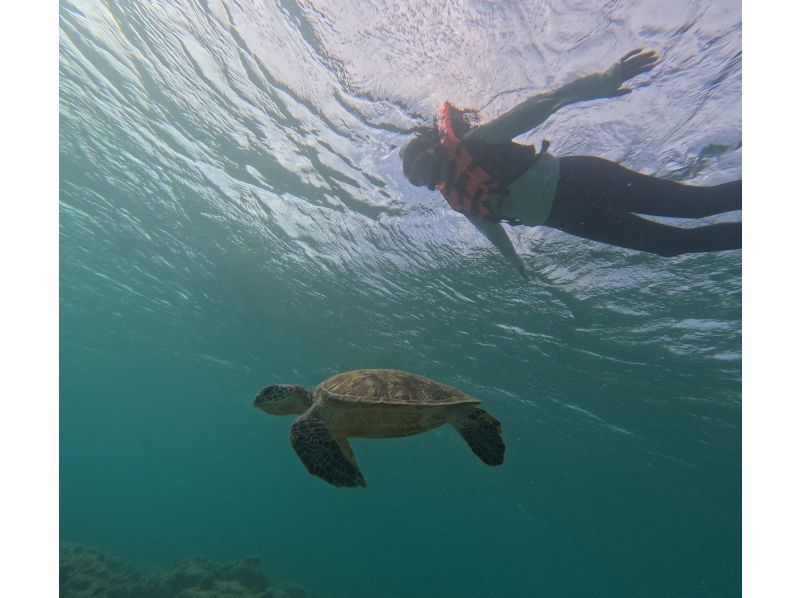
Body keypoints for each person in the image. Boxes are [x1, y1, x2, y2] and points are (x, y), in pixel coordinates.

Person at [401, 49, 741, 280]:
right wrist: (517, 265)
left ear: (433, 148)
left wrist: (603, 81)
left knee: (696, 205)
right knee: (669, 246)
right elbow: (492, 233)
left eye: (423, 164)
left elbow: (544, 104)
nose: (428, 174)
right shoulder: (459, 201)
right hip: (572, 219)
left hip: (581, 179)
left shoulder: (476, 143)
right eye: (420, 178)